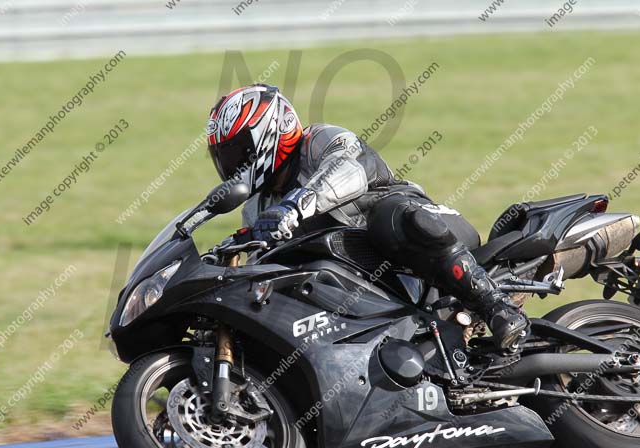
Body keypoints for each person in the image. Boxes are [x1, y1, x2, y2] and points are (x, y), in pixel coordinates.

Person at [207, 84, 529, 350]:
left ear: (272, 133)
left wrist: (294, 206)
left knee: (390, 215)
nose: (233, 165)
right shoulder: (258, 206)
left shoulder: (320, 141)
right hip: (367, 274)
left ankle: (495, 305)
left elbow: (348, 170)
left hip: (421, 229)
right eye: (225, 156)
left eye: (239, 152)